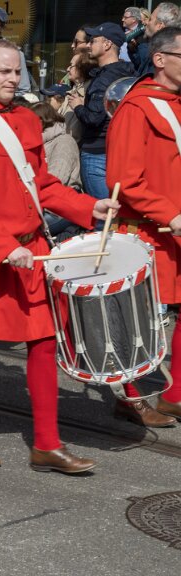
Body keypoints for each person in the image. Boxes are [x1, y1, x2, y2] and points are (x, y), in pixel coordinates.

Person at [0, 39, 119, 471]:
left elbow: (41, 183)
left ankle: (47, 444)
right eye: (3, 71)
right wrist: (3, 246)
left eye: (17, 71)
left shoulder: (24, 119)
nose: (13, 79)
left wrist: (85, 207)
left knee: (42, 342)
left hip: (29, 250)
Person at [106, 26, 181, 423]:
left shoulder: (177, 102)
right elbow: (124, 181)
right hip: (148, 230)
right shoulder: (136, 108)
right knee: (139, 319)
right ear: (160, 59)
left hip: (176, 230)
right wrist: (170, 214)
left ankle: (175, 394)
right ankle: (130, 397)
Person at [68, 22, 135, 202]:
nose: (88, 45)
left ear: (107, 45)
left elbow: (93, 118)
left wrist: (77, 106)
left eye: (93, 40)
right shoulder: (128, 72)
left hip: (96, 154)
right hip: (118, 151)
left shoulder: (104, 79)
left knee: (102, 216)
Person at [30, 102, 87, 243]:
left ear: (41, 121)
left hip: (62, 207)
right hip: (45, 204)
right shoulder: (39, 143)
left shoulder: (64, 142)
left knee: (26, 229)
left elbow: (57, 177)